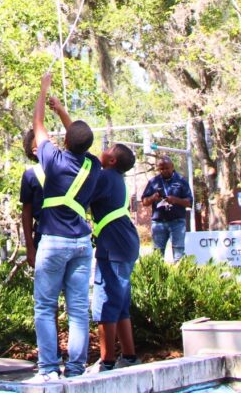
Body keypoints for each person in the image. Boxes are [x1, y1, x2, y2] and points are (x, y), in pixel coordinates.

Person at [29, 72, 101, 382]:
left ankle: (48, 370)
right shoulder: (93, 165)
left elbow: (38, 127)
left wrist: (44, 93)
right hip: (82, 245)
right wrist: (62, 111)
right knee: (78, 311)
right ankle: (75, 370)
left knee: (45, 306)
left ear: (67, 141)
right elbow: (78, 138)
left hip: (54, 242)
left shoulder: (53, 160)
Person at [87, 143, 141, 372]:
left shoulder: (105, 177)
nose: (104, 148)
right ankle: (128, 356)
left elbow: (84, 186)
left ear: (112, 161)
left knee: (106, 302)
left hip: (114, 248)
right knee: (119, 304)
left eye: (108, 149)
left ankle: (107, 361)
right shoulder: (115, 178)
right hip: (123, 243)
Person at [141, 155, 193, 262]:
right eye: (161, 169)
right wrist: (153, 197)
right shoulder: (153, 182)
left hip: (177, 222)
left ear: (172, 167)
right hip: (159, 222)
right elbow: (144, 202)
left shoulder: (181, 181)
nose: (164, 171)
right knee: (157, 254)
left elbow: (189, 203)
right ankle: (158, 278)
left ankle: (178, 277)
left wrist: (176, 200)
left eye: (166, 168)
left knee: (179, 253)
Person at [19, 127, 44, 267]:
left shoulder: (66, 165)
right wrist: (30, 246)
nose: (50, 139)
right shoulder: (31, 175)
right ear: (35, 150)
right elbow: (26, 212)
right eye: (43, 138)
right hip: (44, 235)